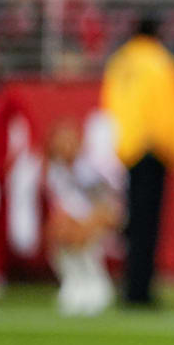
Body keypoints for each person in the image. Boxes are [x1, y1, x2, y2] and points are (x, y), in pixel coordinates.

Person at [101, 17, 174, 307]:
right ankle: (141, 290)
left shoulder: (120, 61)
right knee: (147, 226)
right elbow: (167, 109)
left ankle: (130, 285)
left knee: (133, 223)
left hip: (129, 150)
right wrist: (171, 149)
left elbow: (110, 105)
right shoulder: (160, 62)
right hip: (153, 151)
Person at [45, 120, 122, 316]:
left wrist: (86, 224)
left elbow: (105, 204)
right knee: (59, 230)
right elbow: (61, 204)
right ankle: (73, 280)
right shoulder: (55, 170)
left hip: (98, 216)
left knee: (78, 233)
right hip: (73, 218)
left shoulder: (87, 168)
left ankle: (95, 282)